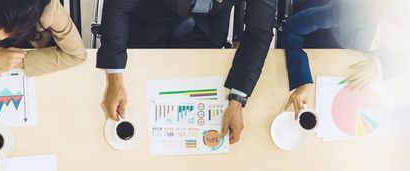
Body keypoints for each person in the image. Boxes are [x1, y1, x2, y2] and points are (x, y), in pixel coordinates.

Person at [96, 0, 277, 144]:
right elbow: (117, 7)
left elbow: (259, 31)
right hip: (148, 24)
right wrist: (115, 79)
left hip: (207, 31)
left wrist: (238, 99)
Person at [279, 0, 406, 117]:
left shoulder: (409, 42)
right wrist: (302, 80)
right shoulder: (349, 10)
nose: (402, 46)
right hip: (318, 39)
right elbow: (291, 28)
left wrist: (378, 66)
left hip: (343, 62)